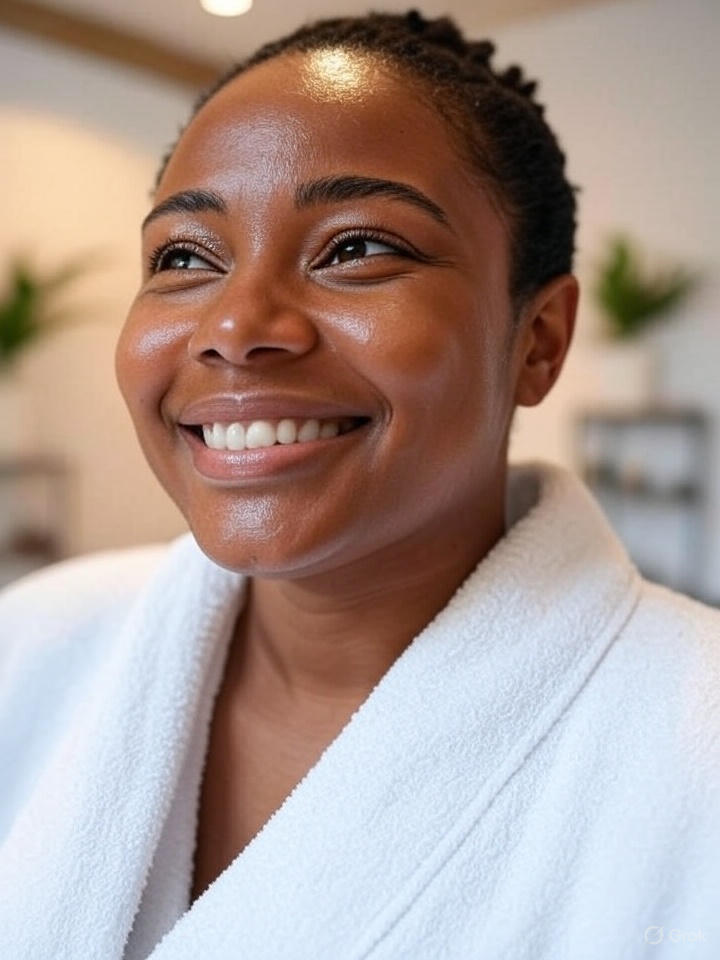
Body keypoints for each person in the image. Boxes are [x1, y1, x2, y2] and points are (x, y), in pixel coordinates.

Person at [1, 10, 718, 960]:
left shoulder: (692, 746)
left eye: (356, 247)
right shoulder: (32, 644)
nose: (237, 324)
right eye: (184, 258)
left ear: (538, 340)